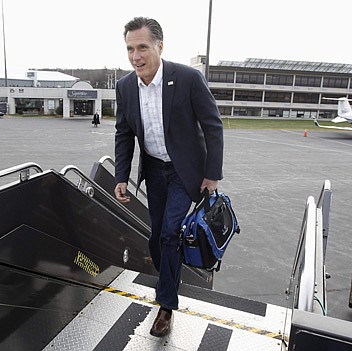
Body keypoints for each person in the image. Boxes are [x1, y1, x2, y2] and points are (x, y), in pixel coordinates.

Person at [113, 17, 224, 337]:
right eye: (130, 49)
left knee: (168, 234)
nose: (136, 56)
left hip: (182, 171)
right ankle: (170, 277)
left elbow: (212, 125)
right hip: (153, 171)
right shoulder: (125, 87)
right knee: (157, 236)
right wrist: (122, 175)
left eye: (142, 47)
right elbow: (123, 134)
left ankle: (166, 306)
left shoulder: (187, 78)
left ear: (160, 46)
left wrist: (212, 175)